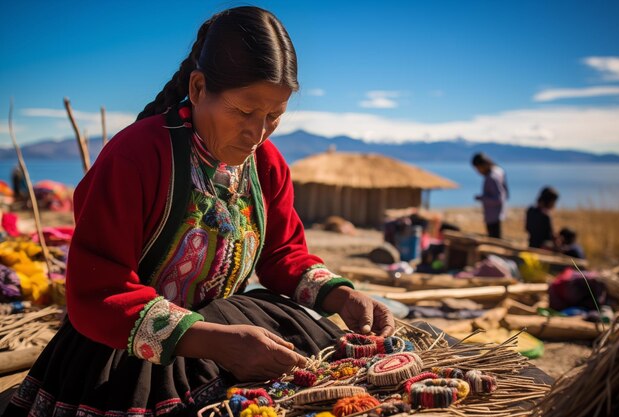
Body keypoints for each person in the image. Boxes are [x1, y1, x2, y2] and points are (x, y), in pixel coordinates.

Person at [3, 7, 394, 417]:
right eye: (244, 112)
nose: (257, 133)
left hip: (232, 327)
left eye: (274, 116)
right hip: (131, 351)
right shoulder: (136, 157)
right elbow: (98, 294)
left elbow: (282, 256)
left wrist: (340, 294)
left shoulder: (266, 164)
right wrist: (213, 341)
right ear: (199, 86)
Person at [471, 152, 508, 238]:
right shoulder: (498, 171)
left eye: (478, 168)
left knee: (494, 240)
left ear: (483, 165)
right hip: (498, 213)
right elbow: (505, 192)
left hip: (493, 215)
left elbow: (498, 199)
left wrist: (482, 198)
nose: (478, 171)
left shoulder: (491, 177)